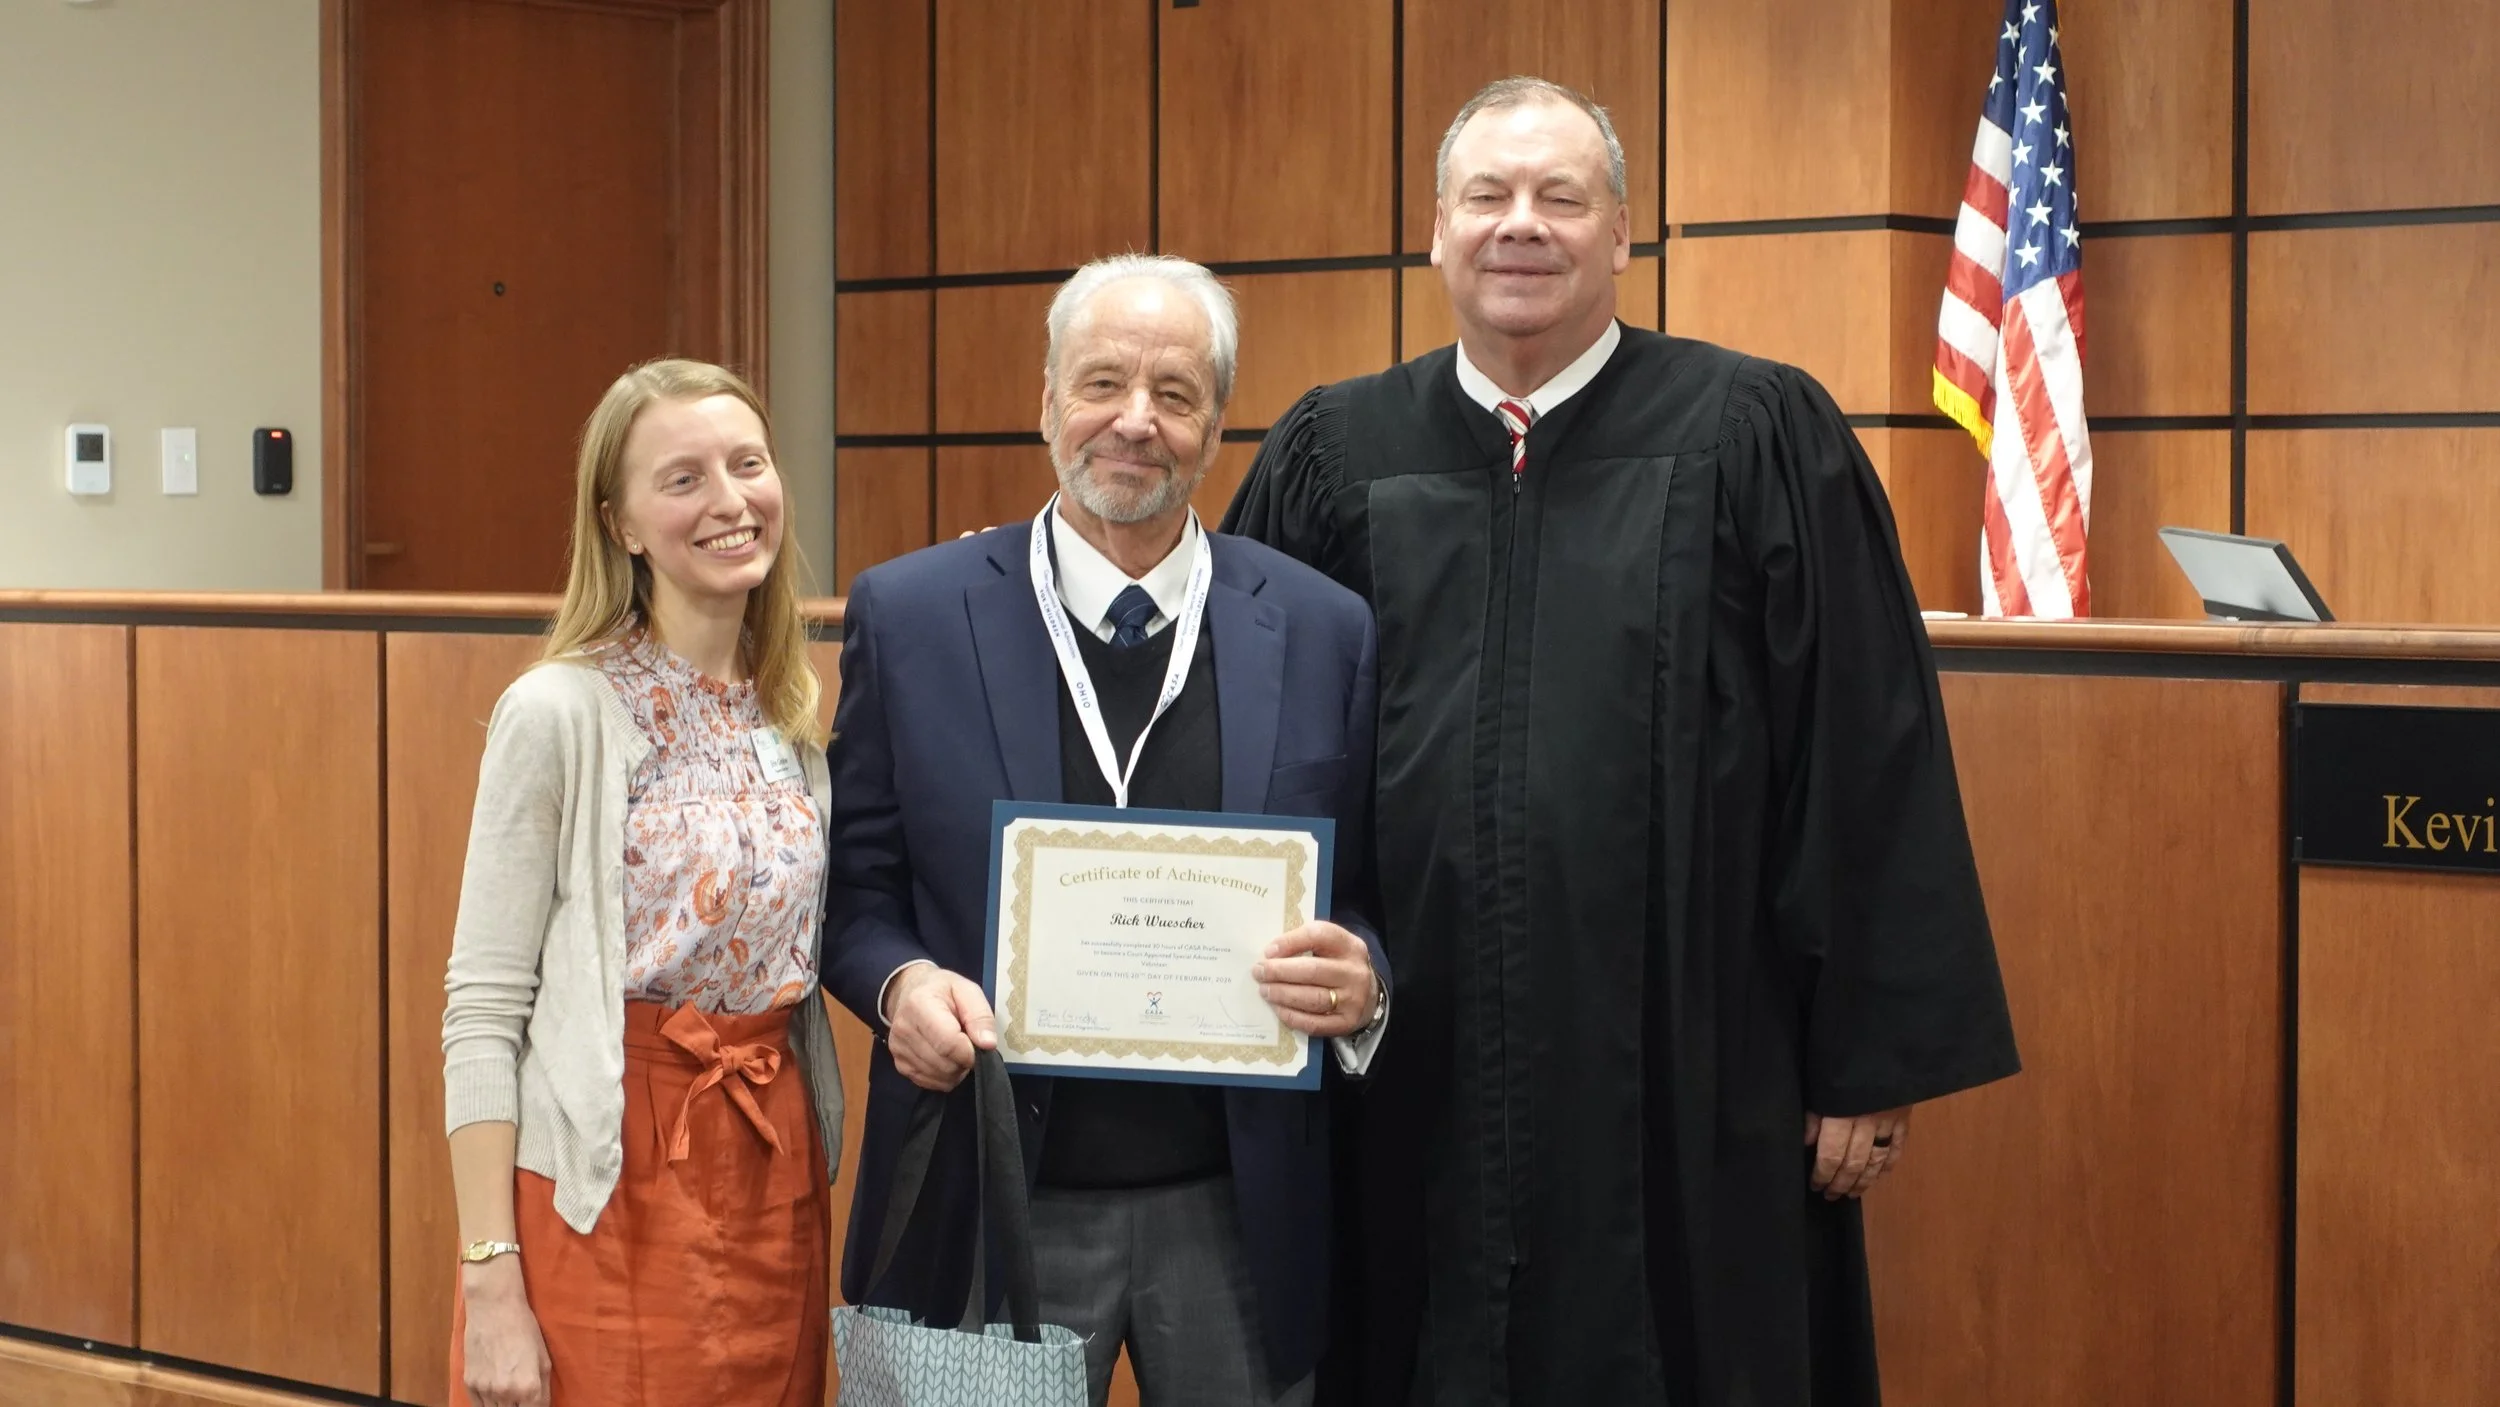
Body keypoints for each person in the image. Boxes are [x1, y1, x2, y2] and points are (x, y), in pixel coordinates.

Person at [1222, 78, 2021, 1407]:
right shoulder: (1332, 448)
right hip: (1400, 1055)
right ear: (1436, 233)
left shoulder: (1757, 432)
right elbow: (1249, 743)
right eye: (1487, 197)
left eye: (1560, 198)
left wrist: (1862, 1062)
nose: (1520, 226)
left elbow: (1866, 748)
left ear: (1623, 233)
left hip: (1700, 1064)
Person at [822, 254, 1389, 1407]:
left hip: (1236, 1211)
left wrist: (1365, 982)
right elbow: (856, 893)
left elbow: (1372, 888)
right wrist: (897, 989)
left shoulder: (1325, 629)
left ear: (1217, 426)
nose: (1135, 421)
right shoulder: (912, 613)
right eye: (1102, 384)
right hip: (991, 1200)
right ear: (1045, 404)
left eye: (1175, 395)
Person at [440, 359, 846, 1407]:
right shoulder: (559, 711)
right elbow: (483, 1011)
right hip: (606, 1174)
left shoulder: (789, 717)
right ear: (619, 522)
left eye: (746, 465)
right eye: (682, 479)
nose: (728, 501)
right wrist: (489, 1285)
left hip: (772, 1170)